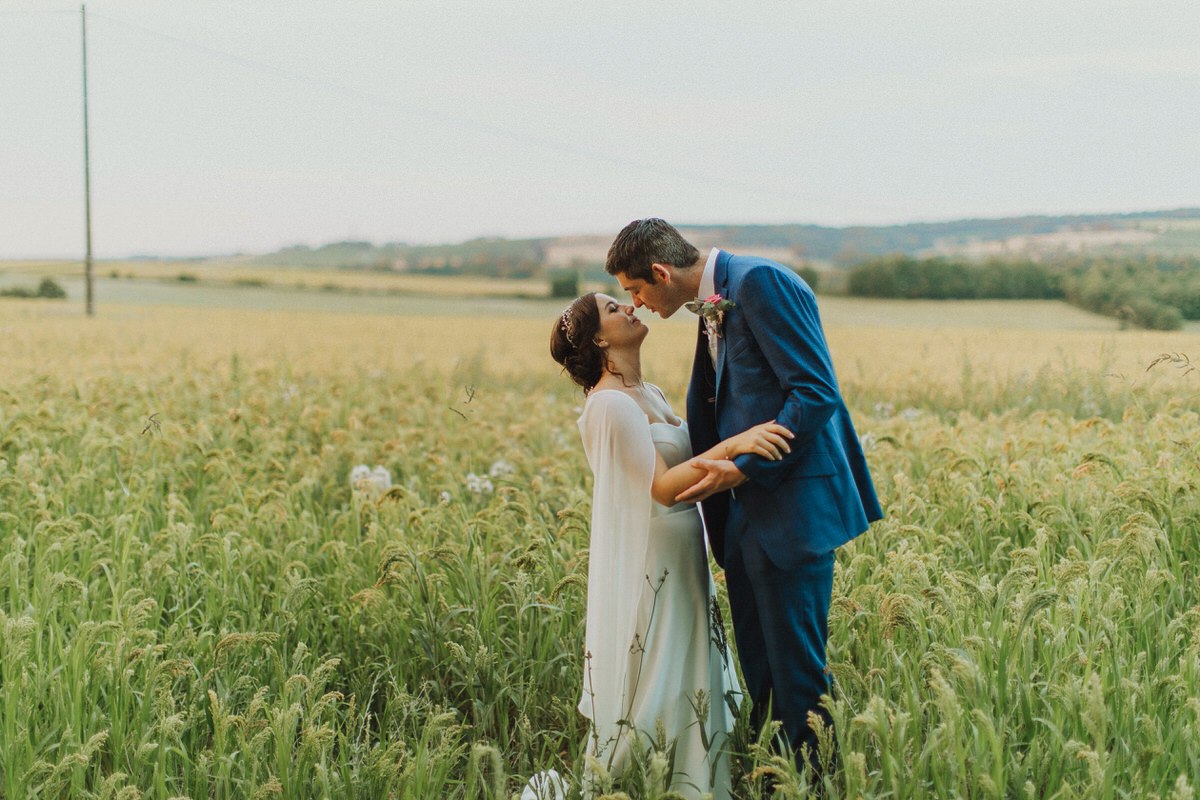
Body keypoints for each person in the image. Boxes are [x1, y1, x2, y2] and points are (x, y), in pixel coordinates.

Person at [605, 219, 883, 781]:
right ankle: (777, 780)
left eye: (635, 290)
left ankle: (814, 786)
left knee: (798, 675)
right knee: (761, 672)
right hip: (741, 521)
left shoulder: (760, 283)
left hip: (789, 513)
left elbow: (815, 391)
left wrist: (741, 467)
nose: (636, 304)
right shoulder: (714, 300)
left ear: (660, 273)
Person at [544, 291, 794, 799]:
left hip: (686, 546)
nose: (630, 307)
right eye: (615, 308)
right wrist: (737, 445)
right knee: (659, 657)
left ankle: (693, 774)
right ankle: (652, 777)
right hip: (653, 553)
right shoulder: (609, 404)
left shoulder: (649, 392)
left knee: (689, 653)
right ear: (598, 338)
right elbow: (660, 487)